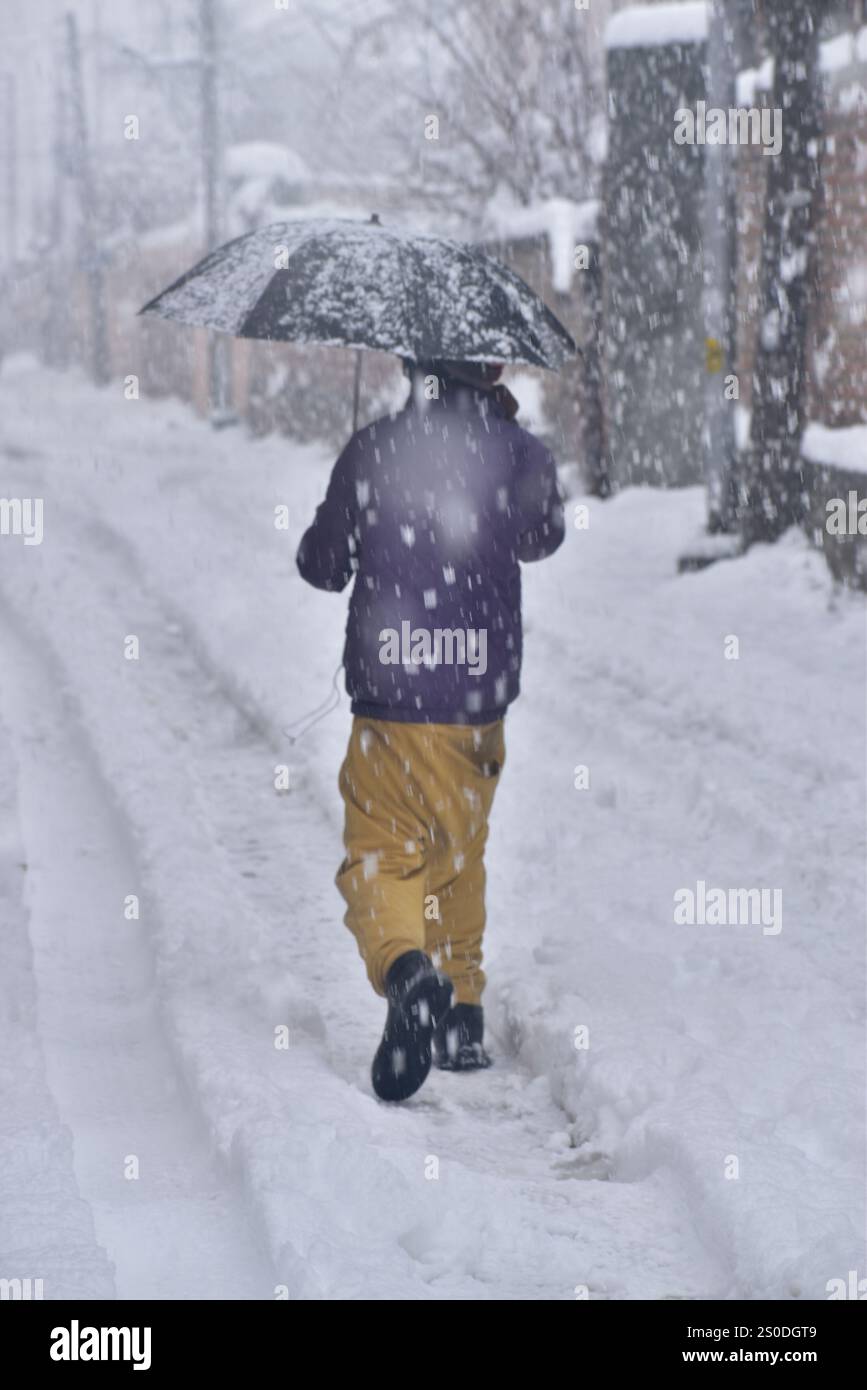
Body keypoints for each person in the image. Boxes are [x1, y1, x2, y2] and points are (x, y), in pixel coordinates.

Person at [296, 358, 564, 1101]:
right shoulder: (516, 451)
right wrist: (509, 453)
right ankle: (461, 1014)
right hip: (478, 700)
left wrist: (342, 528)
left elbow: (322, 567)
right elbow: (543, 536)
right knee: (459, 850)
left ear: (411, 366)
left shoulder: (375, 448)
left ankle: (407, 971)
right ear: (491, 370)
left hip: (390, 696)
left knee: (382, 851)